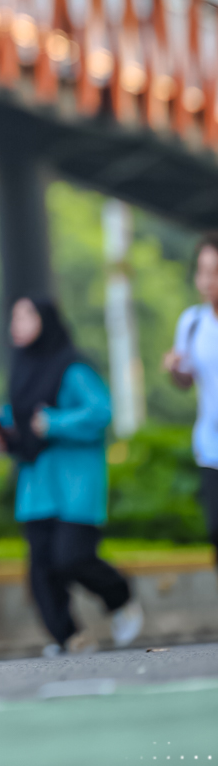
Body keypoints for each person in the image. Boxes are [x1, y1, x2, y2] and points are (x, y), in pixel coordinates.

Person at [0, 294, 143, 655]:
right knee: (41, 572)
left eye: (26, 316)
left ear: (46, 321)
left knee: (72, 558)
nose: (17, 325)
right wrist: (4, 428)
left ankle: (119, 596)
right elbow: (19, 416)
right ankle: (70, 638)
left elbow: (100, 411)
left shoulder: (72, 368)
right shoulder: (22, 371)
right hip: (37, 487)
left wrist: (55, 422)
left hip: (76, 485)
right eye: (15, 318)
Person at [161, 232, 218, 571]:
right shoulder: (192, 322)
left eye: (215, 271)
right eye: (202, 271)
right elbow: (185, 381)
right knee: (215, 530)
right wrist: (174, 369)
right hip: (211, 446)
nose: (207, 281)